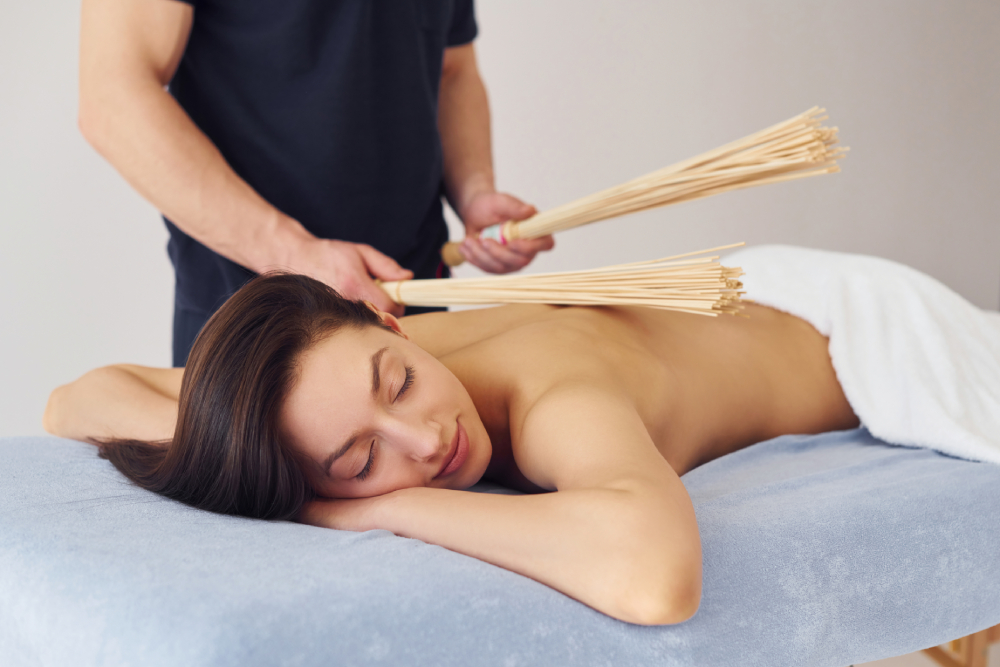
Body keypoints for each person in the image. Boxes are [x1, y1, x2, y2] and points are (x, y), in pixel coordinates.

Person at [44, 248, 872, 626]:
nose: (424, 439)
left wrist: (371, 506)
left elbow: (658, 579)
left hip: (853, 331)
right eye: (361, 459)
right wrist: (245, 455)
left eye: (399, 381)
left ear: (387, 323)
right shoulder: (331, 378)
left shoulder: (555, 396)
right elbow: (77, 398)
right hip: (726, 299)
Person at [78, 0, 554, 367]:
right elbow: (112, 97)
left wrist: (474, 191)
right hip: (257, 326)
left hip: (415, 303)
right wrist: (295, 254)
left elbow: (452, 69)